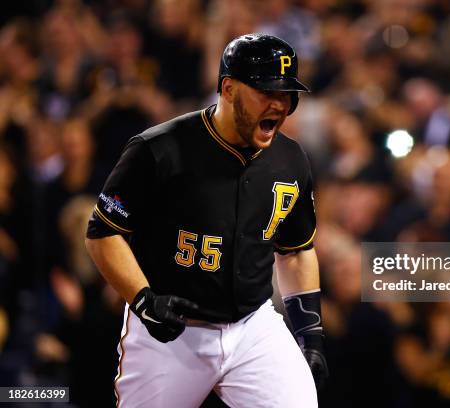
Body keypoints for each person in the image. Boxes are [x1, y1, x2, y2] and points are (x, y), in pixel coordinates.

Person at [84, 33, 328, 407]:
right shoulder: (159, 149)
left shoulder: (291, 159)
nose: (280, 105)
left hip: (253, 327)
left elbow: (296, 251)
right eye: (267, 92)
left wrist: (309, 332)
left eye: (287, 95)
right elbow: (103, 233)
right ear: (228, 88)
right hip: (171, 333)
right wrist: (143, 299)